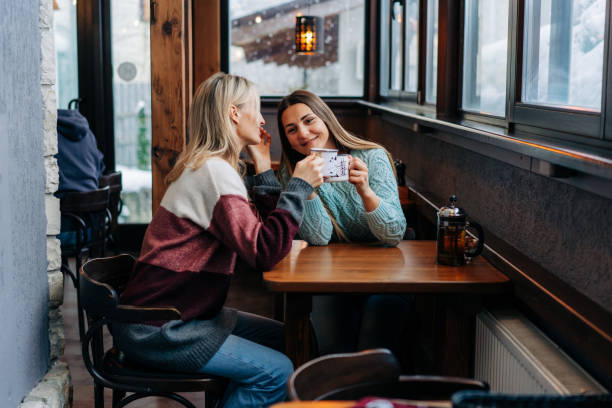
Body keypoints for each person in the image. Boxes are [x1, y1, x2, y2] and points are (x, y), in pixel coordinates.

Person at [112, 73, 324, 408]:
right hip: (162, 328)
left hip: (183, 316)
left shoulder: (214, 167)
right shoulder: (213, 173)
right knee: (277, 371)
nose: (262, 118)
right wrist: (298, 186)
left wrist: (259, 163)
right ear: (234, 113)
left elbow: (267, 236)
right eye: (256, 108)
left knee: (296, 339)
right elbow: (265, 253)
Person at [277, 89, 412, 358]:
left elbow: (394, 232)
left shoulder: (372, 156)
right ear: (288, 140)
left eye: (309, 120)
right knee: (332, 350)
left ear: (326, 118)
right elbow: (318, 238)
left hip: (384, 271)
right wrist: (307, 187)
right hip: (330, 276)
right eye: (292, 130)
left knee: (374, 348)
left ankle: (368, 399)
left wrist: (365, 191)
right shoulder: (292, 172)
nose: (303, 134)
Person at [56, 108, 106, 248]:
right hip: (93, 228)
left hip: (65, 231)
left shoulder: (48, 137)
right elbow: (100, 169)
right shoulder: (88, 133)